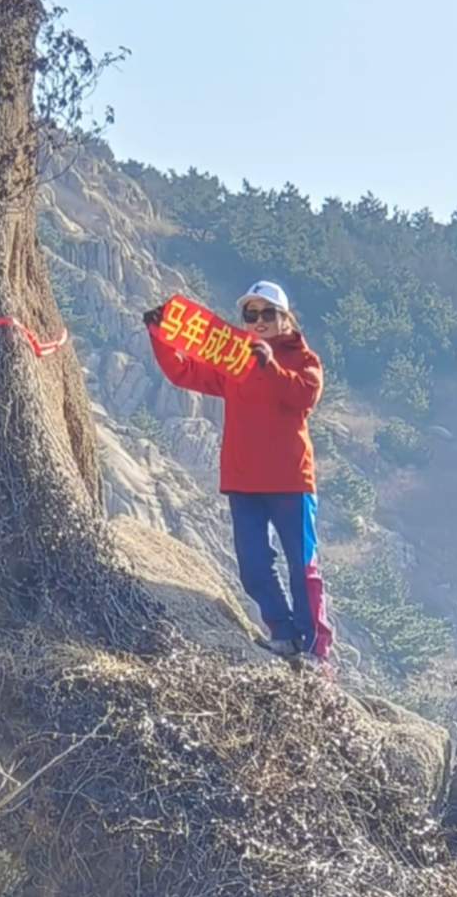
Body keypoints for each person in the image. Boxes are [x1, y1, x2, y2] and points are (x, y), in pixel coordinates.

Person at [143, 280, 333, 660]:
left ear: (286, 319)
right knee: (253, 565)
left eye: (268, 313)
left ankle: (316, 649)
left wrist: (270, 366)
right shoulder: (235, 360)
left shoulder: (304, 359)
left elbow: (303, 396)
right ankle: (283, 633)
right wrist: (159, 334)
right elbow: (185, 373)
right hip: (244, 481)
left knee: (303, 567)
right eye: (251, 313)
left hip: (290, 480)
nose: (259, 320)